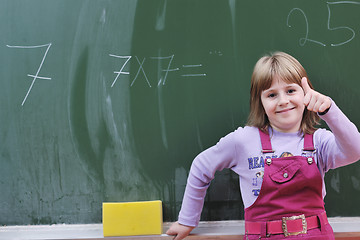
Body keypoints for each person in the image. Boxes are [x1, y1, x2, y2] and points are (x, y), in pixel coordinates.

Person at [166, 51, 360, 239]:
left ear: (306, 93)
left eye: (291, 90)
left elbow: (356, 150)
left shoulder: (320, 141)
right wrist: (187, 220)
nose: (283, 101)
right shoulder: (243, 141)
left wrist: (328, 110)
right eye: (272, 95)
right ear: (260, 102)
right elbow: (201, 166)